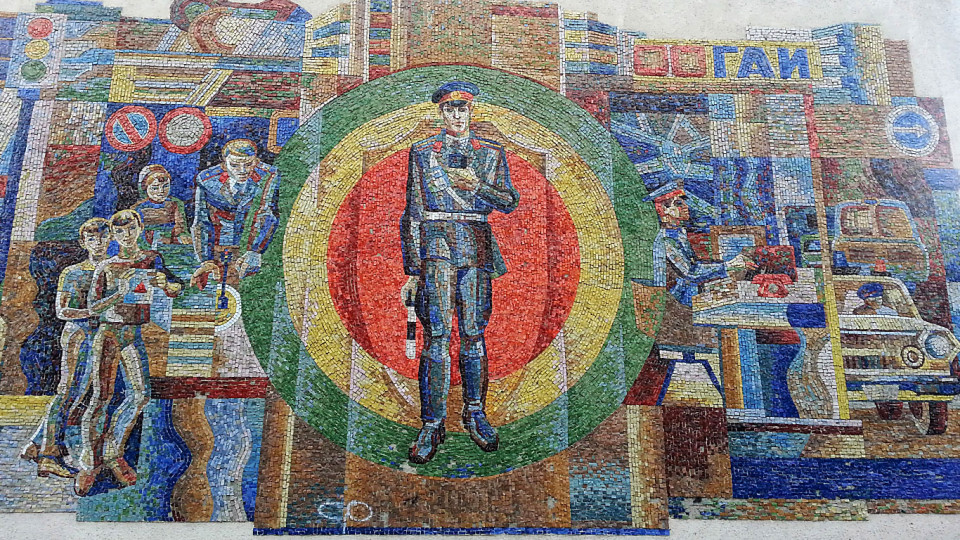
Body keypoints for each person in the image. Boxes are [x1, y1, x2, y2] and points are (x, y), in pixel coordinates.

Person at [399, 81, 520, 464]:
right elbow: (413, 211)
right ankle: (432, 423)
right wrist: (412, 270)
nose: (456, 115)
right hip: (435, 248)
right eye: (449, 109)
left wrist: (478, 185)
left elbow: (509, 202)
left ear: (471, 112)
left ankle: (474, 412)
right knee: (437, 336)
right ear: (441, 113)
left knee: (473, 334)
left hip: (476, 246)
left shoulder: (491, 153)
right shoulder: (422, 152)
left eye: (462, 109)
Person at [74, 209, 183, 496]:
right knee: (101, 397)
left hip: (133, 333)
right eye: (120, 231)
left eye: (131, 229)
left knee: (140, 394)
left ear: (140, 228)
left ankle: (113, 451)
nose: (126, 235)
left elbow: (176, 286)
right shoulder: (107, 267)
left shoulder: (151, 259)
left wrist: (166, 284)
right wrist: (119, 293)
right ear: (113, 235)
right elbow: (92, 307)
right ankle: (89, 462)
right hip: (109, 333)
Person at [20, 218, 111, 479]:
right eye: (92, 239)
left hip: (101, 336)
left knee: (80, 393)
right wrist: (93, 312)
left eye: (103, 237)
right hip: (78, 336)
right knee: (69, 392)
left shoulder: (113, 268)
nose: (98, 243)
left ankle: (35, 445)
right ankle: (49, 456)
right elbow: (62, 311)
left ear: (110, 239)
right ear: (83, 243)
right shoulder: (73, 272)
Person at [648, 181, 753, 345]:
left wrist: (726, 268)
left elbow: (694, 264)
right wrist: (727, 265)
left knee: (735, 288)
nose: (685, 206)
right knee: (732, 303)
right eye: (678, 204)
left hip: (688, 290)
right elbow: (690, 272)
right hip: (676, 300)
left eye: (683, 202)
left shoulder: (678, 233)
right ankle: (731, 344)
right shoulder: (666, 240)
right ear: (664, 210)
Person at [190, 139, 280, 289]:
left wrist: (255, 251)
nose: (242, 170)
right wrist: (206, 259)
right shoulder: (207, 180)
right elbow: (201, 221)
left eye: (248, 164)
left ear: (256, 161)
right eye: (234, 165)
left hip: (250, 244)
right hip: (219, 245)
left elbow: (266, 213)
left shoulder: (269, 175)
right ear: (224, 163)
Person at [134, 164, 192, 249]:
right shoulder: (139, 208)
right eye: (155, 188)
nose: (161, 191)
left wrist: (182, 236)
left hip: (173, 245)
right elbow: (139, 237)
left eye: (166, 186)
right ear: (145, 188)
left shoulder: (175, 203)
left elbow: (180, 228)